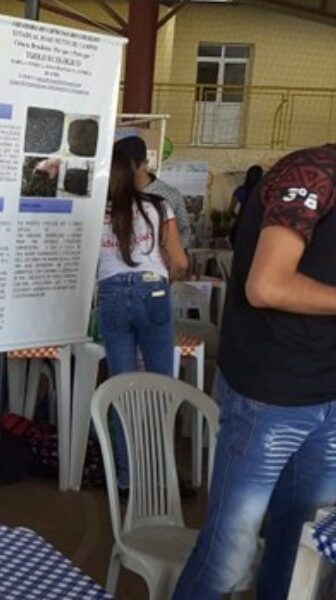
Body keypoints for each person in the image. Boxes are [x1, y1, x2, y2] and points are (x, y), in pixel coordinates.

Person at [174, 137, 336, 600]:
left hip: (335, 394)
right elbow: (267, 285)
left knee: (299, 558)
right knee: (228, 561)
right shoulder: (314, 172)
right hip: (269, 397)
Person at [96, 148, 187, 491]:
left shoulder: (98, 211)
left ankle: (125, 479)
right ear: (138, 170)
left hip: (112, 295)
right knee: (161, 387)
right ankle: (161, 476)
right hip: (154, 292)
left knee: (121, 389)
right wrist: (164, 280)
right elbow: (178, 261)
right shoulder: (158, 207)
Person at [115, 135, 194, 249]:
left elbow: (184, 229)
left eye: (125, 166)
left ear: (144, 164)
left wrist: (169, 253)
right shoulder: (116, 193)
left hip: (157, 263)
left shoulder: (170, 195)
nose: (120, 172)